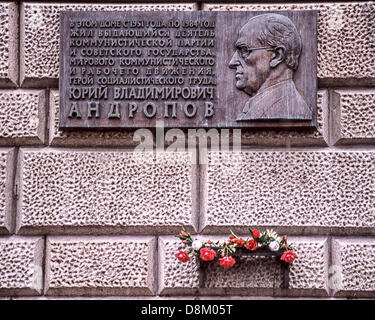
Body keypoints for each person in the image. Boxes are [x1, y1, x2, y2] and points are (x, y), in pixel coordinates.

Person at [228, 13, 312, 121]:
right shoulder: (268, 104)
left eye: (244, 50)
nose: (232, 62)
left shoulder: (292, 109)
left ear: (277, 55)